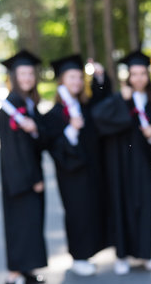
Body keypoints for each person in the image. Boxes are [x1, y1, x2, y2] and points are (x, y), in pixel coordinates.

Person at [92, 50, 151, 275]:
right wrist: (119, 99)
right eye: (134, 74)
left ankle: (144, 254)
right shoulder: (119, 99)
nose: (139, 78)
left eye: (143, 73)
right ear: (128, 77)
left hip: (142, 165)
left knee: (143, 207)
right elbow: (98, 116)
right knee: (121, 205)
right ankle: (122, 255)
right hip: (119, 164)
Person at [43, 55, 107, 276]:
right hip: (70, 174)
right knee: (77, 212)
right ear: (61, 80)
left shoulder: (84, 107)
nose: (77, 82)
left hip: (90, 170)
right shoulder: (53, 114)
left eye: (80, 77)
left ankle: (86, 255)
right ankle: (78, 257)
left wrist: (99, 77)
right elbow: (52, 146)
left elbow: (102, 100)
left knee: (90, 210)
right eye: (71, 77)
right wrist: (71, 129)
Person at [0, 50, 47, 284]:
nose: (27, 78)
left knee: (30, 225)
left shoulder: (28, 104)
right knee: (19, 224)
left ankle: (25, 270)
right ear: (14, 77)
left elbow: (39, 138)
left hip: (28, 176)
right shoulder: (10, 108)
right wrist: (33, 178)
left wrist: (34, 129)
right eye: (22, 74)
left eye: (30, 73)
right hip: (19, 178)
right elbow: (15, 152)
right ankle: (14, 274)